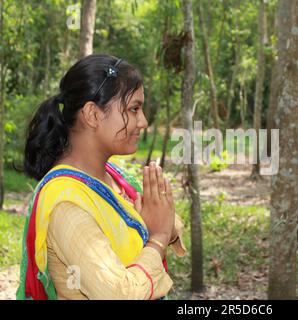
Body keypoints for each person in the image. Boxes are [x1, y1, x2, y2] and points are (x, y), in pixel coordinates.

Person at [16, 54, 185, 300]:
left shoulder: (116, 177)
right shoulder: (66, 203)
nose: (144, 122)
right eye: (134, 109)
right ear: (93, 115)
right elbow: (119, 294)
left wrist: (160, 225)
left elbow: (168, 221)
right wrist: (157, 238)